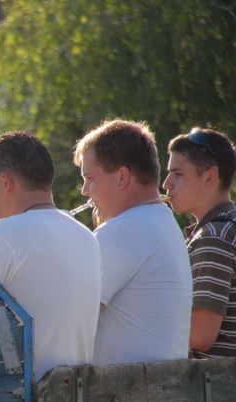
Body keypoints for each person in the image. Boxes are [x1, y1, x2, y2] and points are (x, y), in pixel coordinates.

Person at [0, 131, 101, 381]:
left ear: (5, 182)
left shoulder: (3, 233)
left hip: (20, 394)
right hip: (72, 390)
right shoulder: (87, 237)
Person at [74, 119, 192, 365]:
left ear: (122, 177)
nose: (85, 190)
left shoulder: (124, 231)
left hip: (125, 387)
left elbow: (66, 319)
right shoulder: (158, 220)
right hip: (154, 384)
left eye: (90, 177)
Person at [162, 128, 236, 358]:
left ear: (209, 177)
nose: (166, 184)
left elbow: (200, 335)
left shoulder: (214, 237)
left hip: (216, 381)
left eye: (178, 174)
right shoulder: (223, 230)